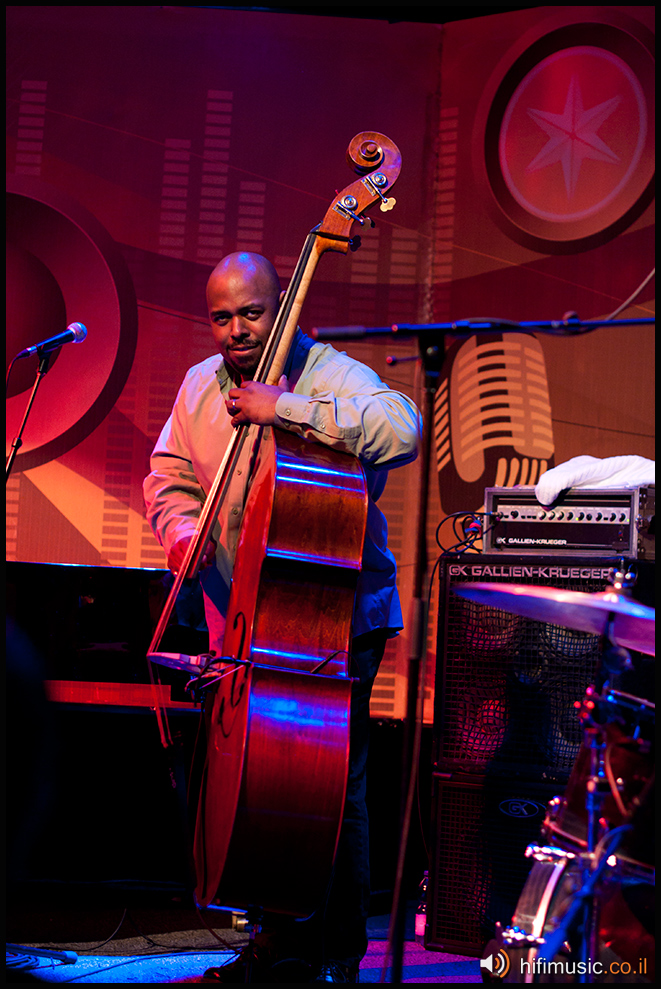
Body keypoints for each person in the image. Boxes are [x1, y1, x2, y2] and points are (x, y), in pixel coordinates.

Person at [143, 252, 421, 983]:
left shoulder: (328, 372)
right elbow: (167, 475)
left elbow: (401, 429)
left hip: (332, 618)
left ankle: (333, 954)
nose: (236, 330)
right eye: (222, 316)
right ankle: (274, 942)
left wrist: (284, 408)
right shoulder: (199, 385)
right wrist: (180, 535)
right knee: (262, 788)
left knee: (335, 792)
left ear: (285, 305)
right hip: (240, 622)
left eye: (252, 312)